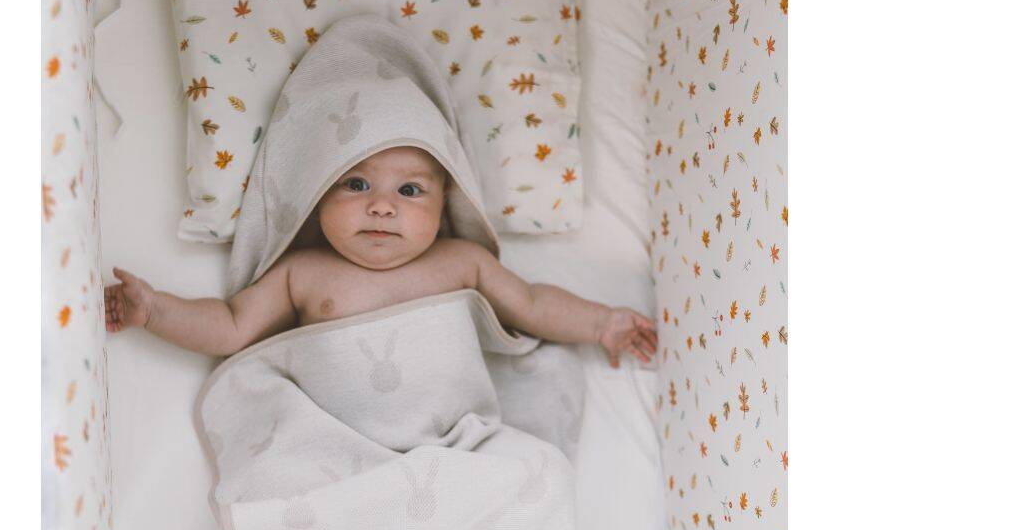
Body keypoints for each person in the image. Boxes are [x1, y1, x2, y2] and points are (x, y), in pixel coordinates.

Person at [104, 142, 657, 368]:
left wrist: (601, 323)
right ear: (317, 193)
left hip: (450, 441)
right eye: (356, 184)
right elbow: (230, 327)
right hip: (341, 448)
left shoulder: (462, 261)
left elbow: (532, 304)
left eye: (409, 190)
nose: (382, 207)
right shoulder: (303, 273)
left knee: (534, 476)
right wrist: (155, 310)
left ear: (444, 205)